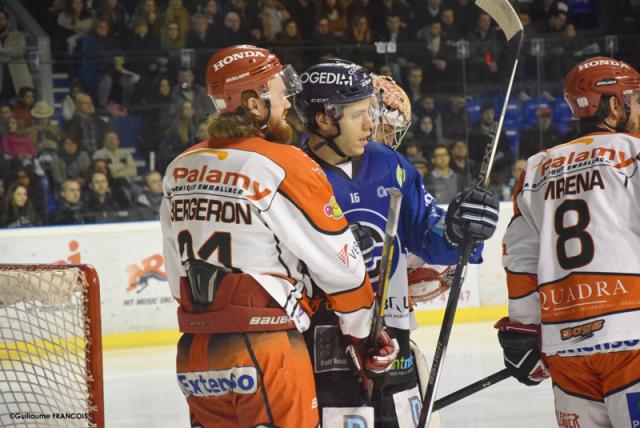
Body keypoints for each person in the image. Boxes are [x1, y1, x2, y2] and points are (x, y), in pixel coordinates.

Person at [160, 45, 396, 428]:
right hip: (266, 350)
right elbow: (344, 270)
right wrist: (365, 338)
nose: (287, 100)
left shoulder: (179, 168)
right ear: (254, 104)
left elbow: (177, 278)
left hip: (195, 356)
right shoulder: (282, 162)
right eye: (278, 88)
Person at [294, 59, 499, 427]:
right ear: (324, 119)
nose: (371, 124)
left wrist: (457, 229)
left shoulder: (389, 163)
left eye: (369, 111)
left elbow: (427, 233)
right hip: (324, 351)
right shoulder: (291, 174)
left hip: (395, 340)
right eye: (358, 114)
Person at [500, 56, 640, 428]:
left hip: (566, 348)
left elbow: (520, 257)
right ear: (613, 104)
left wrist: (523, 329)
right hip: (633, 341)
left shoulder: (536, 168)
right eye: (634, 99)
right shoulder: (633, 153)